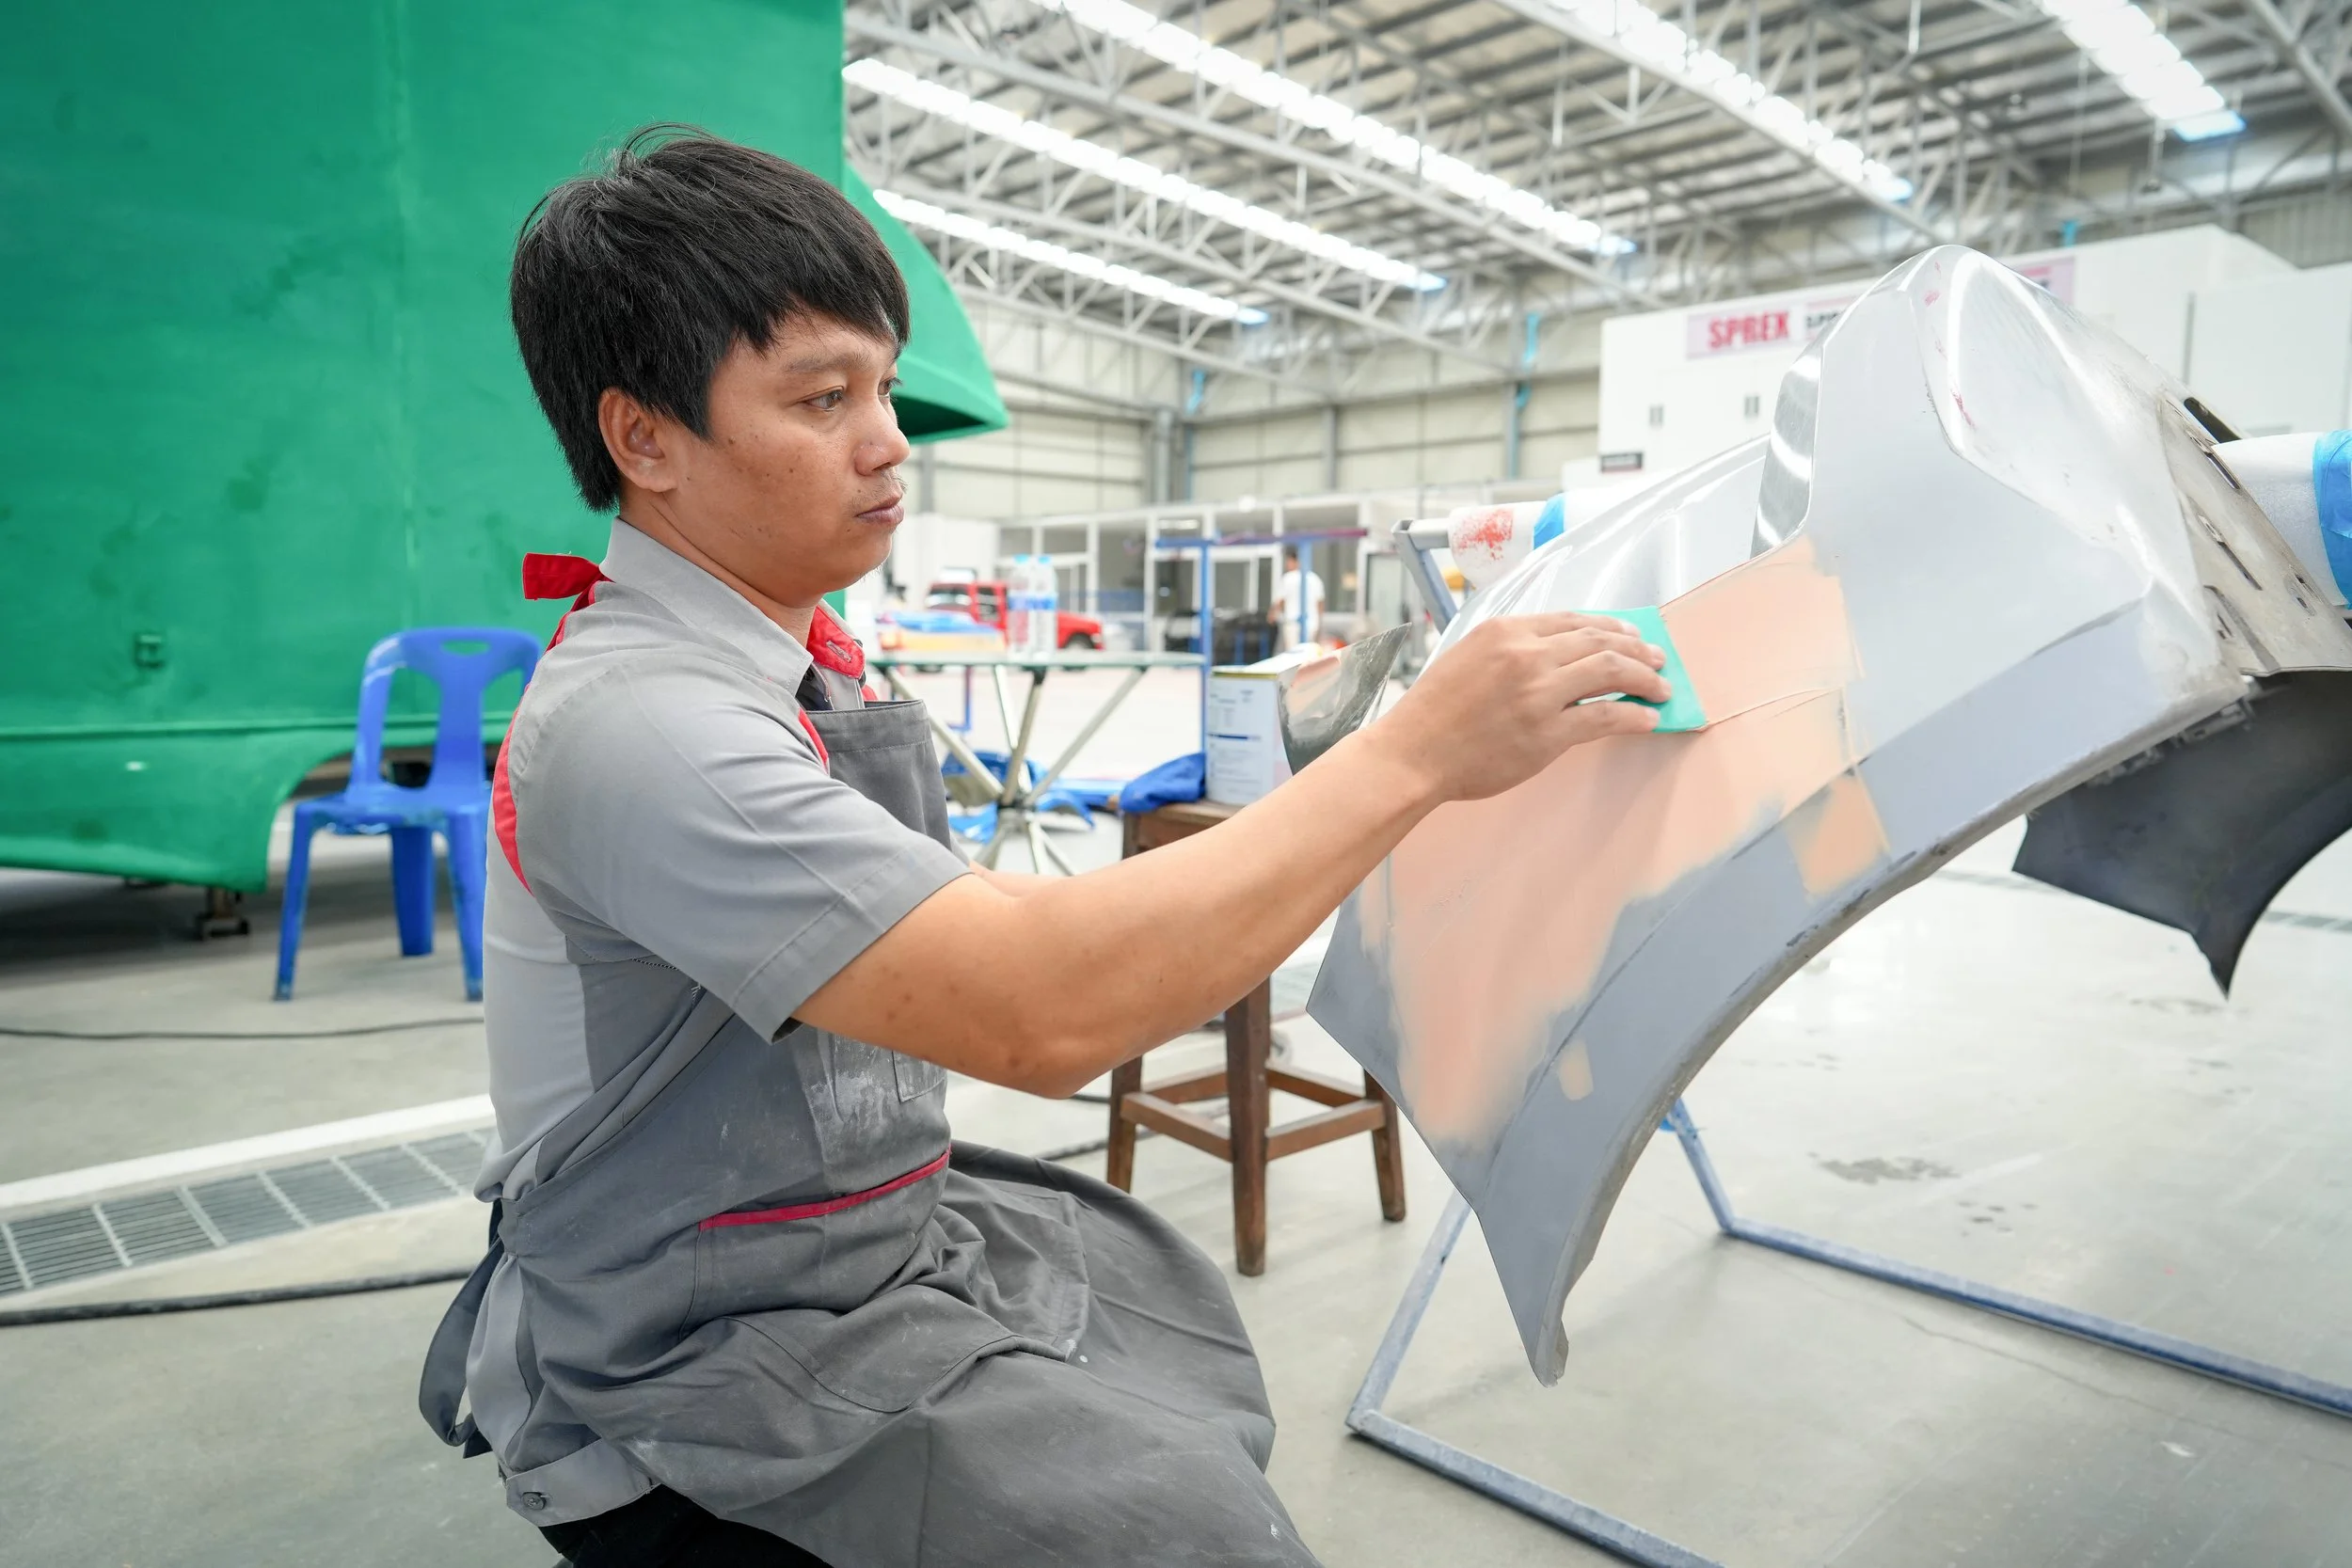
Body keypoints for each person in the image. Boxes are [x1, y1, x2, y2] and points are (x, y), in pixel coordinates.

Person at [418, 127, 1672, 1568]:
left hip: (850, 1234)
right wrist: (1416, 753)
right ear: (645, 439)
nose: (889, 441)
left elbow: (973, 928)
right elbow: (1040, 1004)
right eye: (822, 398)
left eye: (883, 386)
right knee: (1190, 1527)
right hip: (692, 1341)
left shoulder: (795, 662)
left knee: (1162, 1311)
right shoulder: (649, 723)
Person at [1269, 548, 1325, 651]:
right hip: (1312, 623)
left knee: (1293, 653)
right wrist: (1319, 622)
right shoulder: (1315, 579)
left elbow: (1280, 601)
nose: (1287, 565)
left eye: (1288, 562)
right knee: (1308, 653)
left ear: (1296, 561)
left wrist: (1273, 615)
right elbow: (1320, 604)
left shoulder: (1288, 578)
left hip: (1292, 623)